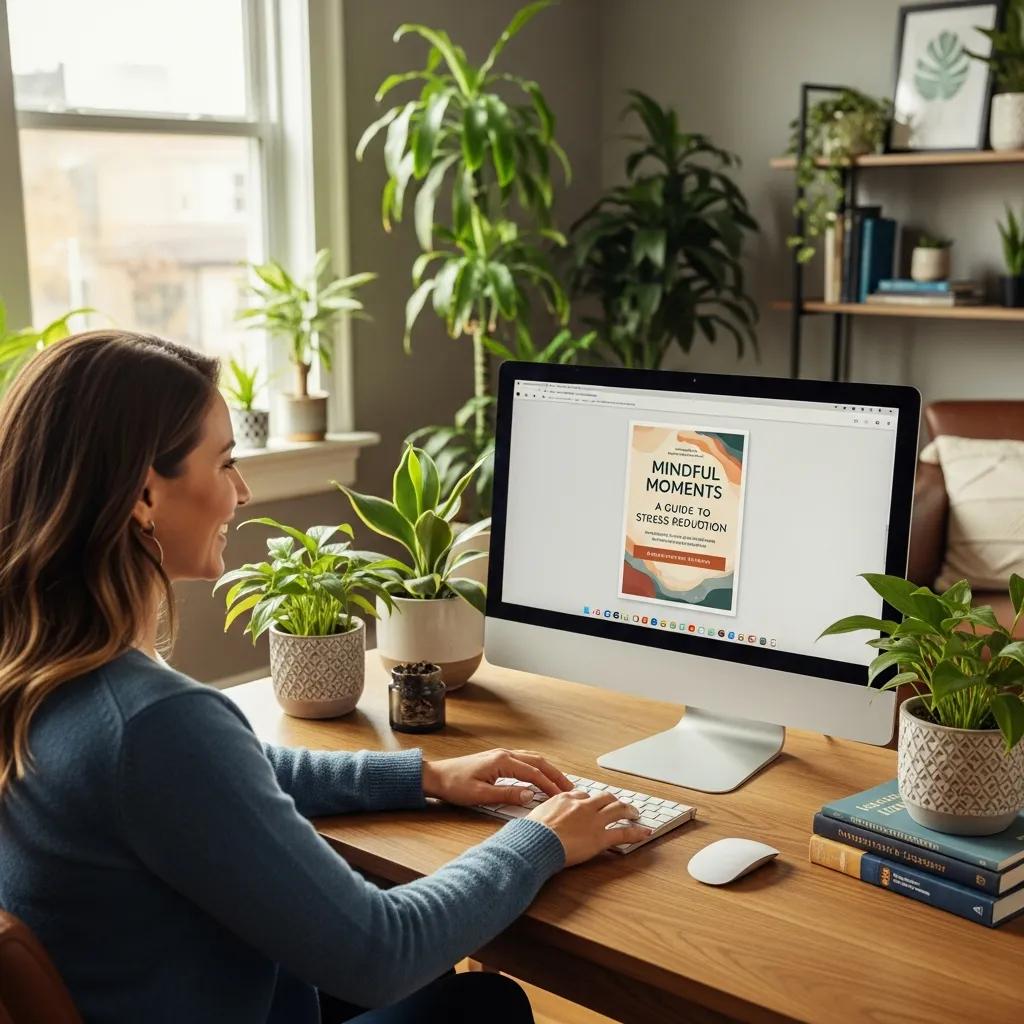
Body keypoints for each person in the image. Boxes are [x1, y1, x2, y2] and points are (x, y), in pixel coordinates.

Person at [0, 331, 650, 1024]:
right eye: (224, 464)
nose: (242, 492)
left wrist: (418, 776)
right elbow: (381, 953)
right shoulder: (149, 722)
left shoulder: (44, 668)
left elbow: (217, 780)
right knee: (481, 1006)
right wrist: (542, 838)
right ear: (143, 496)